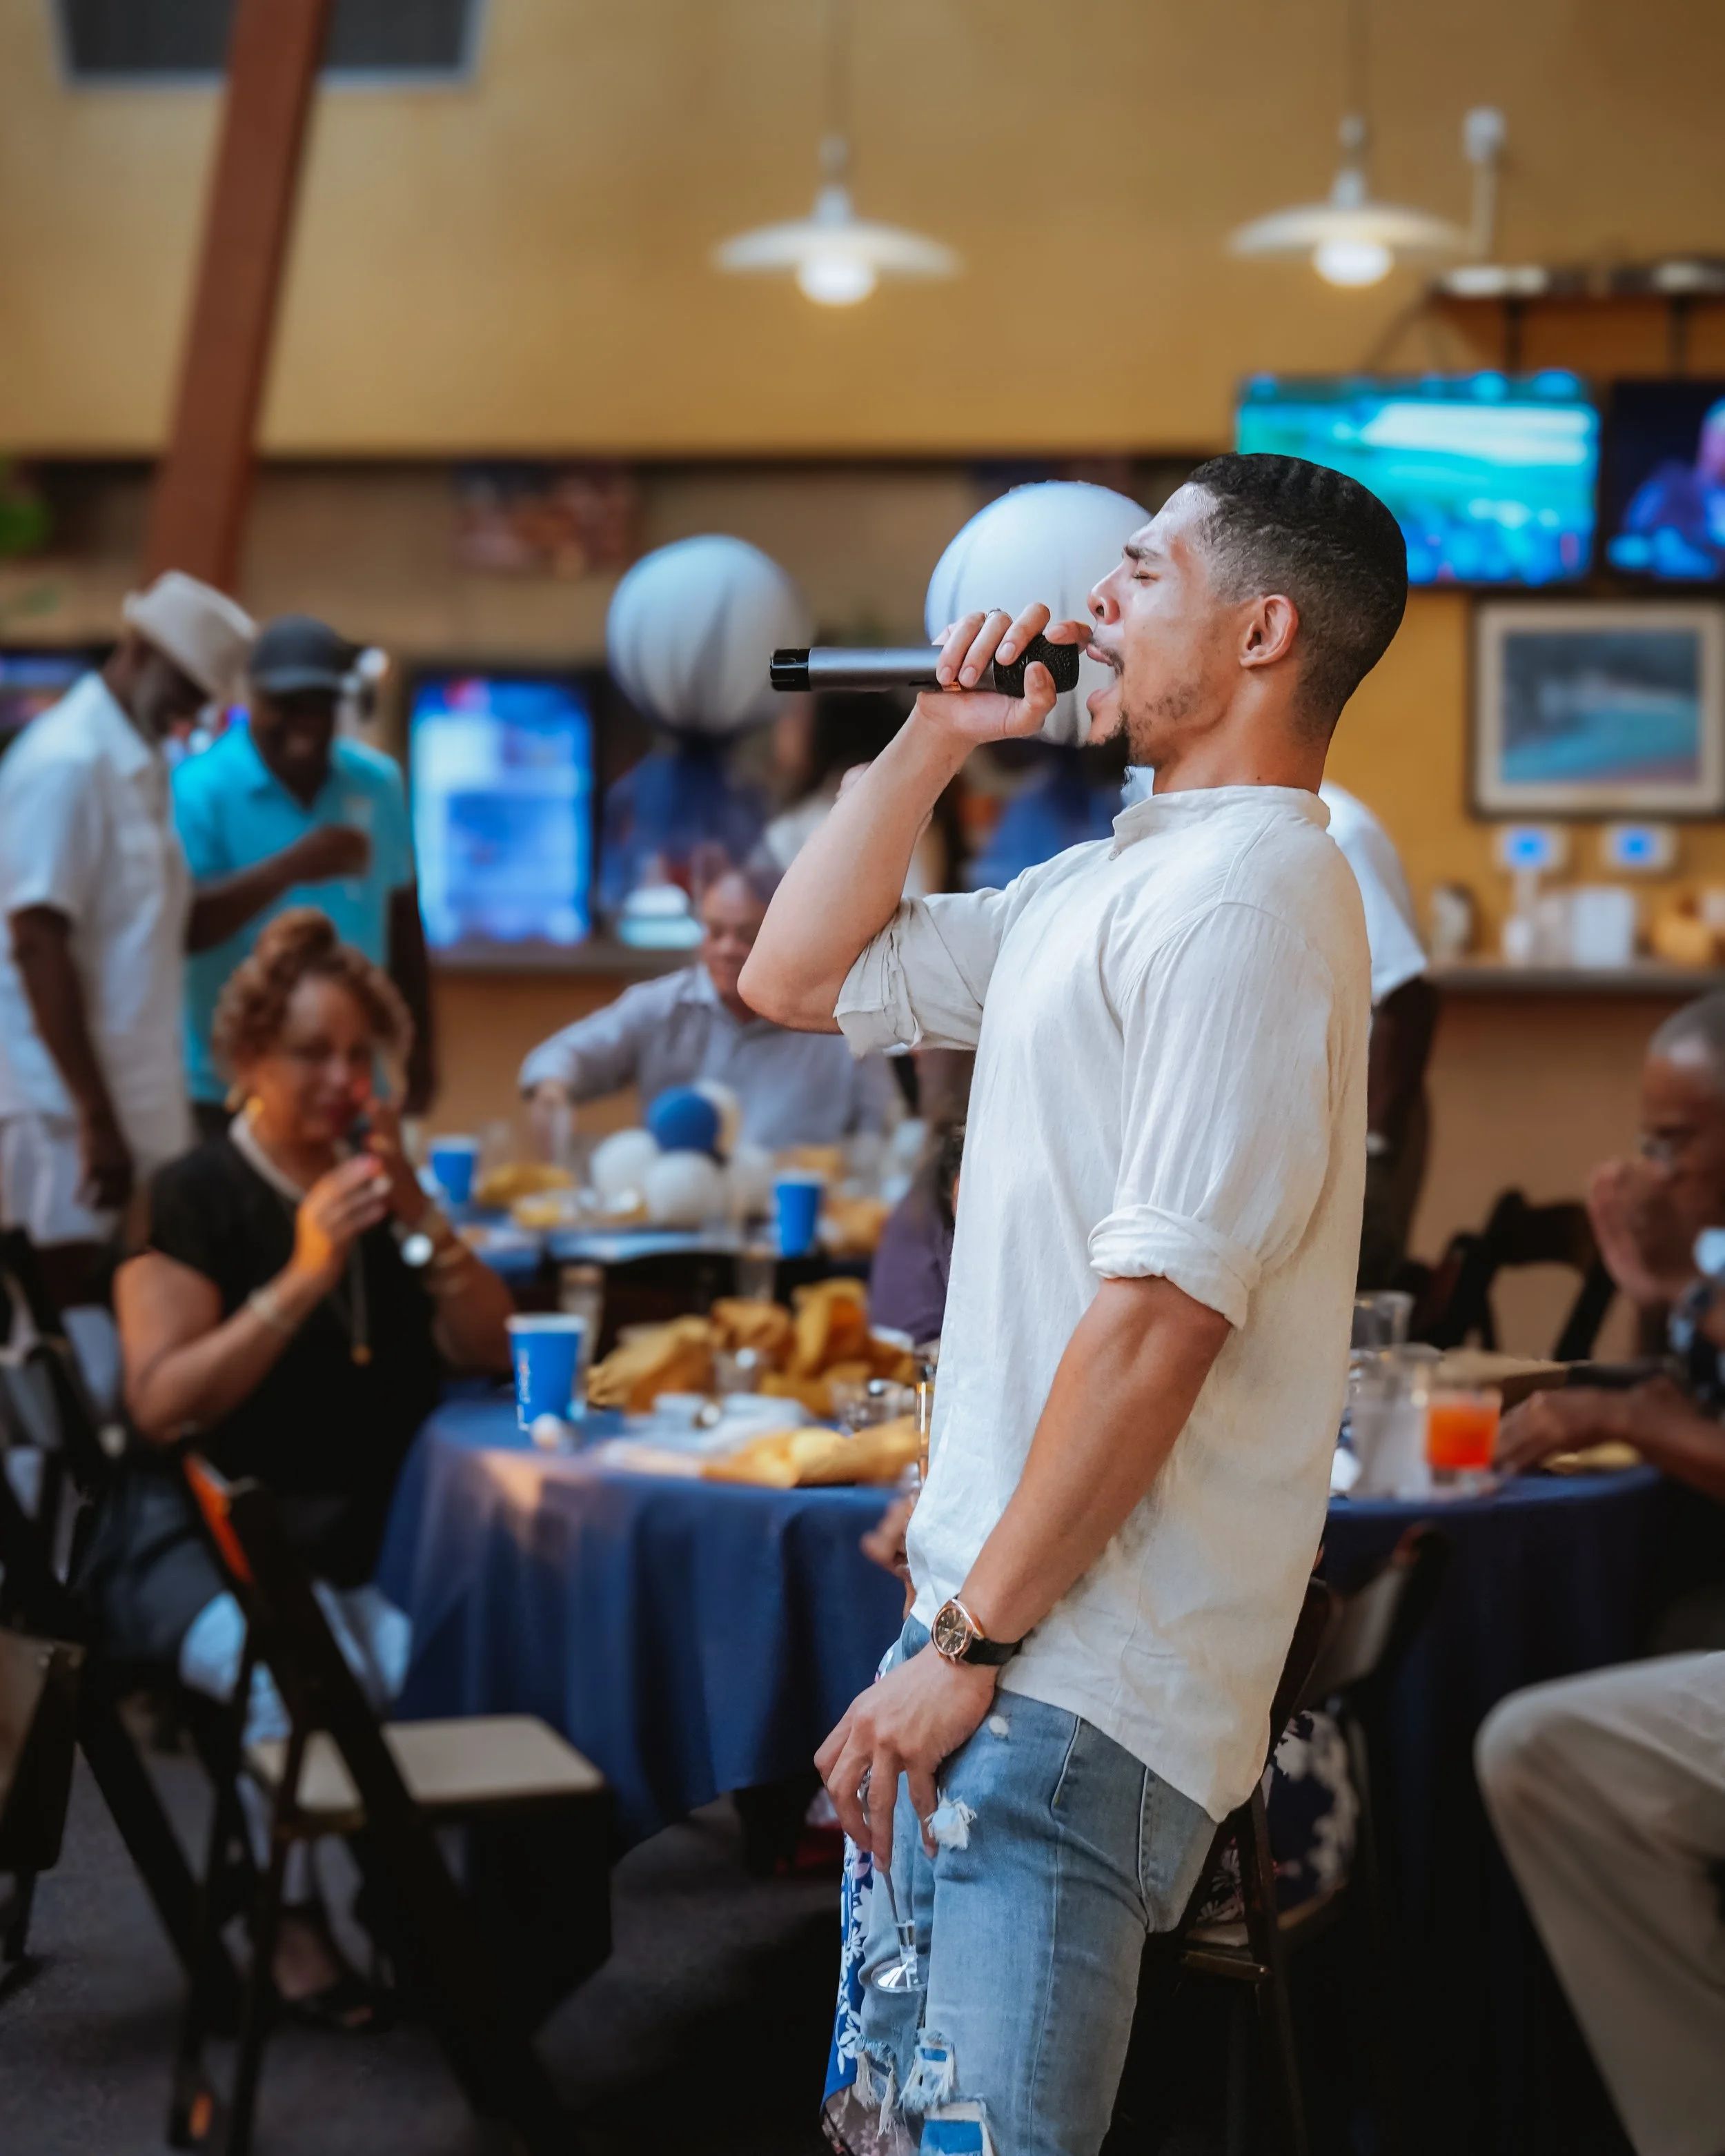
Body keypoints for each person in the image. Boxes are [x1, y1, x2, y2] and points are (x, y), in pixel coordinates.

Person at [742, 452, 1407, 2155]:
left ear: (1260, 632)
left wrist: (969, 1644)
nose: (1094, 594)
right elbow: (792, 975)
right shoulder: (1100, 882)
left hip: (1065, 1676)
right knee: (890, 2136)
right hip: (982, 1643)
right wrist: (932, 735)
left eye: (1144, 568)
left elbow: (1161, 1318)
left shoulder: (1252, 895)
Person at [93, 909, 511, 2022]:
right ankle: (290, 1914)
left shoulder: (379, 1189)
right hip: (195, 1539)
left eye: (361, 1055)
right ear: (246, 1060)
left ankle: (409, 1906)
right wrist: (305, 1273)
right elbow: (161, 1405)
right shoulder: (194, 1192)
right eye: (311, 1053)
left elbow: (491, 1347)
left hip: (357, 1537)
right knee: (301, 1684)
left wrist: (420, 1214)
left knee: (435, 1663)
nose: (342, 1080)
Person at [0, 571, 255, 1307]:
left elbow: (168, 927)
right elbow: (36, 939)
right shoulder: (68, 762)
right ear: (139, 649)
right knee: (69, 1319)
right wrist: (94, 1117)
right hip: (65, 1112)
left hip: (137, 1100)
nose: (192, 710)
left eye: (204, 696)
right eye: (187, 686)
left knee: (141, 1312)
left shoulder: (142, 765)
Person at [1123, 764, 1437, 1285]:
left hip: (1343, 1124)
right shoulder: (1150, 819)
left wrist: (1375, 1152)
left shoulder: (1335, 830)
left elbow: (1406, 997)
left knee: (1332, 1304)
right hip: (1219, 1136)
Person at [174, 615, 436, 1138]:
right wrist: (292, 867)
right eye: (286, 704)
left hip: (349, 1083)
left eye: (320, 704)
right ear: (252, 699)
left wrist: (421, 1050)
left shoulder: (375, 784)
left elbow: (404, 921)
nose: (306, 721)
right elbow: (188, 924)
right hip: (231, 1086)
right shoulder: (200, 787)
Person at [520, 864, 899, 1152]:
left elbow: (884, 1137)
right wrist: (552, 1088)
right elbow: (560, 1056)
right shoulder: (662, 1005)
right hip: (678, 1211)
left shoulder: (839, 1021)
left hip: (796, 1215)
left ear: (790, 936)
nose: (727, 949)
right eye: (715, 932)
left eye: (747, 936)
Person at [1612, 396, 1725, 581]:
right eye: (1721, 437)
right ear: (1707, 437)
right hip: (1670, 590)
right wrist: (1661, 550)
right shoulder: (1671, 481)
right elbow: (1626, 545)